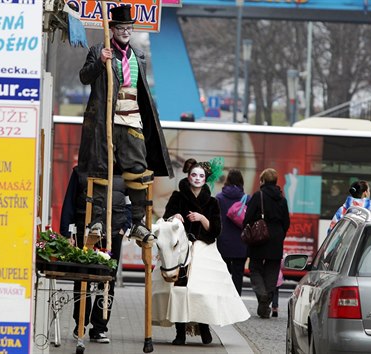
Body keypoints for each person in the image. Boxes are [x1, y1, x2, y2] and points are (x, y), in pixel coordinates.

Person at [77, 4, 173, 242]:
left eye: (129, 28)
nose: (126, 31)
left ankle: (139, 222)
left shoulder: (138, 55)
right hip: (106, 120)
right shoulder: (99, 49)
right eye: (121, 28)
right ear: (112, 29)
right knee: (102, 168)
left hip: (132, 117)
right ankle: (97, 220)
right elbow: (84, 77)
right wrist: (100, 61)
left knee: (138, 169)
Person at [161, 158, 249, 345]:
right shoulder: (177, 196)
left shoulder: (212, 202)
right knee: (178, 290)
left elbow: (216, 230)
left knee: (202, 290)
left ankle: (204, 327)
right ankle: (180, 333)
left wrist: (201, 218)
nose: (197, 178)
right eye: (194, 174)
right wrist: (173, 216)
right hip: (180, 249)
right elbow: (166, 218)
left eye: (201, 175)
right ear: (188, 175)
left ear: (206, 178)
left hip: (203, 248)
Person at [60, 166, 131, 344]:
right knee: (82, 278)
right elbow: (70, 201)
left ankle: (99, 328)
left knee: (107, 280)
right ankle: (80, 323)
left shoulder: (124, 174)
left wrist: (125, 226)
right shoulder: (80, 172)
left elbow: (131, 202)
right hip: (86, 230)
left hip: (114, 233)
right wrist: (67, 234)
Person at [243, 168, 290, 319]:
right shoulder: (282, 199)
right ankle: (264, 307)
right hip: (276, 238)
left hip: (259, 237)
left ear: (262, 181)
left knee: (255, 268)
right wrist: (279, 235)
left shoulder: (258, 196)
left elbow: (248, 218)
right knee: (272, 270)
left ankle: (262, 295)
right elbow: (286, 222)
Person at [215, 169, 249, 295]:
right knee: (238, 274)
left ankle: (224, 297)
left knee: (223, 273)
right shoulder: (246, 198)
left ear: (227, 180)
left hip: (223, 242)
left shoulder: (219, 198)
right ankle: (236, 300)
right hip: (241, 244)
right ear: (241, 181)